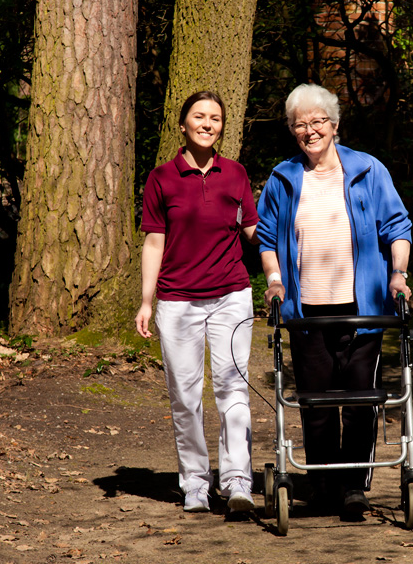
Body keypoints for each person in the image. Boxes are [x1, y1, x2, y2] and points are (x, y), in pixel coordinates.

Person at [257, 83, 413, 516]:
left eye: (317, 121)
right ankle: (323, 481)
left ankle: (353, 485)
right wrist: (274, 280)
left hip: (364, 308)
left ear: (334, 124)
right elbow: (267, 237)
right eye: (300, 124)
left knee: (363, 399)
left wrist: (397, 274)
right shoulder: (283, 178)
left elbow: (398, 225)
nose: (310, 131)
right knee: (315, 401)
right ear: (292, 131)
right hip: (307, 311)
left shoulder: (367, 170)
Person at [134, 90, 260, 515]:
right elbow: (154, 241)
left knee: (233, 389)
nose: (208, 124)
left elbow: (253, 234)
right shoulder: (161, 178)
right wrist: (146, 301)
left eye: (216, 118)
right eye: (200, 117)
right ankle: (194, 484)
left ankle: (238, 482)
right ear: (183, 125)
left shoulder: (236, 174)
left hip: (231, 296)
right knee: (185, 396)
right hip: (178, 301)